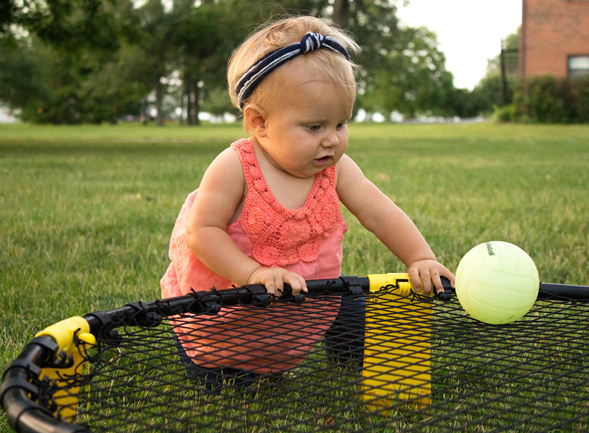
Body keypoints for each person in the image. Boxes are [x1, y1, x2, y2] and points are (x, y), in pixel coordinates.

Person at [161, 15, 456, 392]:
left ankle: (340, 343)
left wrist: (420, 257)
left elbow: (380, 212)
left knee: (352, 308)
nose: (332, 140)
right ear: (259, 122)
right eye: (314, 127)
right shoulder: (235, 166)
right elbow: (202, 232)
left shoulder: (337, 168)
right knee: (237, 383)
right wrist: (252, 274)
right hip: (226, 314)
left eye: (341, 124)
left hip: (304, 300)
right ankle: (222, 364)